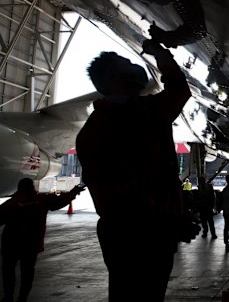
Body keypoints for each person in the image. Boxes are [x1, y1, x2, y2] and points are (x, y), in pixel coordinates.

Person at [75, 28, 199, 301]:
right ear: (113, 78)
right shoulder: (128, 118)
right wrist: (159, 53)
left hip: (139, 234)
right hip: (135, 237)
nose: (136, 67)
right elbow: (122, 196)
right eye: (128, 64)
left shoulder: (124, 117)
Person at [0, 178, 84, 302]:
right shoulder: (41, 201)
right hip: (31, 244)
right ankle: (23, 298)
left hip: (11, 244)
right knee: (28, 272)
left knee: (8, 270)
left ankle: (8, 297)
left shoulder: (11, 203)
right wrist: (74, 191)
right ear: (32, 187)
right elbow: (60, 201)